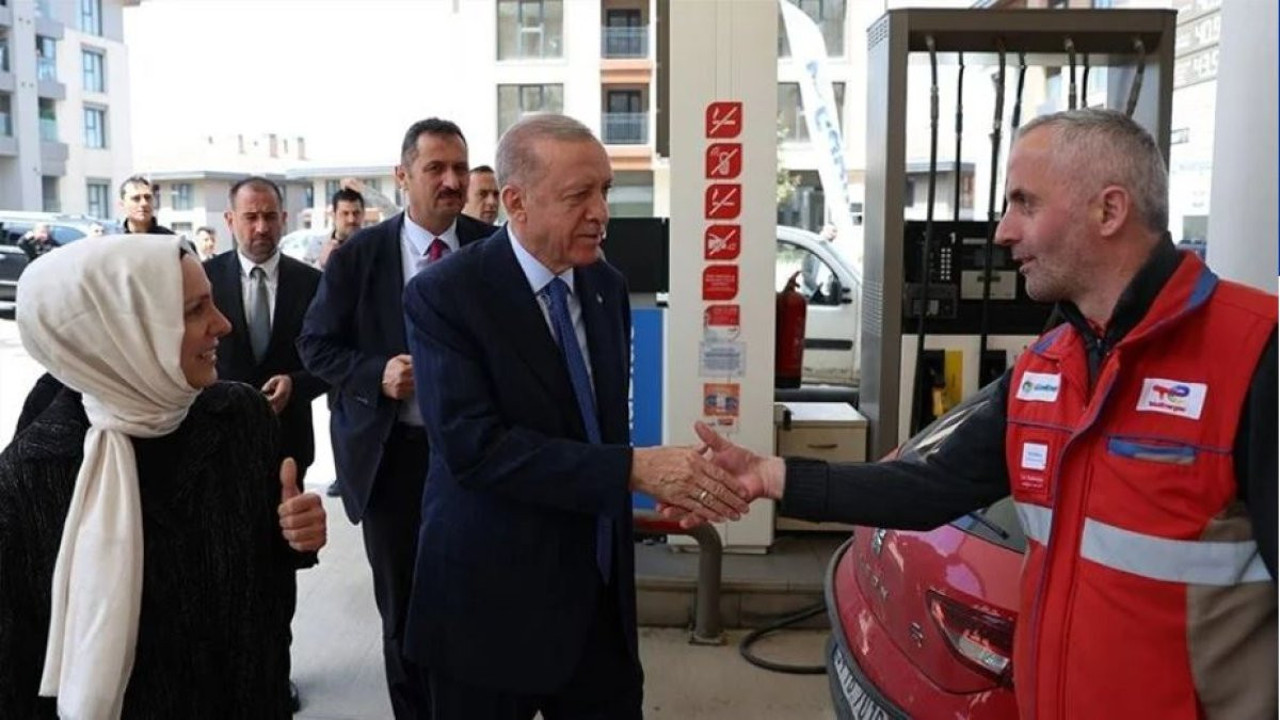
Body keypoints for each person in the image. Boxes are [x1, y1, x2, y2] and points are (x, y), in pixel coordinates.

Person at [682, 108, 1278, 720]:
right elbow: (930, 487)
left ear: (1109, 210)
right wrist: (772, 476)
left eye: (1025, 203)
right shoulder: (1049, 363)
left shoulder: (1258, 354)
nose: (1002, 232)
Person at [401, 114, 748, 719]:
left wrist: (659, 480)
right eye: (578, 195)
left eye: (605, 191)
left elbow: (598, 430)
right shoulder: (446, 294)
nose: (601, 213)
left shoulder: (606, 287)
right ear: (516, 202)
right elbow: (474, 450)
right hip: (489, 614)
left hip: (598, 608)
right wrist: (632, 470)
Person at [0, 234, 327, 718]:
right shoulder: (32, 476)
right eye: (194, 310)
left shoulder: (241, 416)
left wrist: (297, 535)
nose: (223, 324)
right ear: (122, 331)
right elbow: (16, 670)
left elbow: (262, 572)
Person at [297, 117, 496, 719]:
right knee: (404, 609)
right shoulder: (359, 258)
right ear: (402, 176)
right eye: (436, 168)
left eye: (459, 168)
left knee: (476, 602)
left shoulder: (492, 251)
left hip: (476, 455)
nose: (452, 181)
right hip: (393, 458)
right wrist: (376, 373)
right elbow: (315, 345)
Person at [318, 186, 366, 271]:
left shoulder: (373, 246)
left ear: (363, 214)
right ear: (334, 215)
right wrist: (321, 264)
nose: (351, 220)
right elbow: (305, 276)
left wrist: (364, 189)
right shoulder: (317, 245)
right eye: (345, 213)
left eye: (356, 213)